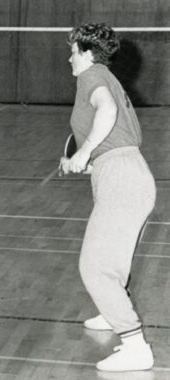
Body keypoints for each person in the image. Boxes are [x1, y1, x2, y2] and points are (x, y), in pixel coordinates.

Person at [61, 23, 155, 372]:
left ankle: (135, 346)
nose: (69, 58)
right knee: (112, 260)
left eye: (72, 52)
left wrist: (83, 152)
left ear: (86, 54)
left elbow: (108, 112)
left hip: (123, 180)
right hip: (124, 172)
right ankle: (111, 311)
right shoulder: (106, 77)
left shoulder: (91, 76)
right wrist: (83, 163)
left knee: (95, 266)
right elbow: (116, 140)